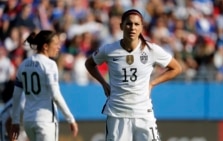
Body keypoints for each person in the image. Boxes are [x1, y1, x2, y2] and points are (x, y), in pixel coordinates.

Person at [85, 9, 182, 141]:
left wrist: (153, 83)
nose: (132, 28)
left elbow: (176, 68)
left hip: (143, 113)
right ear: (121, 26)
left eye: (137, 24)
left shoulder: (151, 50)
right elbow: (89, 64)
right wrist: (103, 83)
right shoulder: (109, 49)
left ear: (142, 27)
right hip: (117, 115)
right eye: (129, 24)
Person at [10, 30, 78, 141]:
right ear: (46, 46)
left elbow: (16, 96)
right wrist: (70, 118)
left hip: (29, 121)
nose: (59, 47)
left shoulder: (23, 65)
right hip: (45, 121)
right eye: (55, 44)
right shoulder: (49, 64)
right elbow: (55, 95)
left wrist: (15, 121)